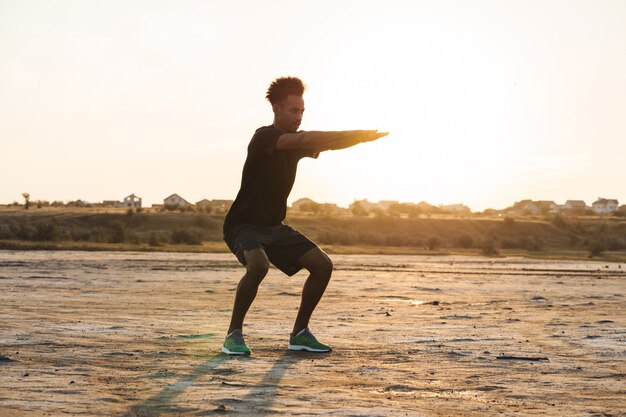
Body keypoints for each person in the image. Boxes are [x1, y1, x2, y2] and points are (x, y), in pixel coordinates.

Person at [222, 76, 387, 355]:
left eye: (302, 112)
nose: (298, 117)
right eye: (293, 111)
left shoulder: (296, 143)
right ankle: (233, 335)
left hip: (274, 226)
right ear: (276, 109)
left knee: (322, 266)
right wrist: (358, 133)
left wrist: (356, 140)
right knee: (259, 265)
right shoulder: (265, 137)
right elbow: (310, 138)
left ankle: (300, 334)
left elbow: (327, 143)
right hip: (243, 225)